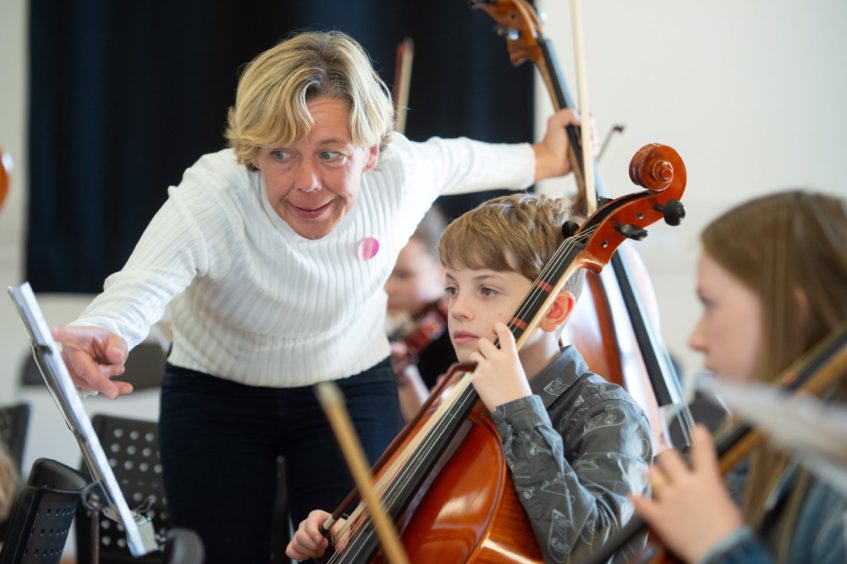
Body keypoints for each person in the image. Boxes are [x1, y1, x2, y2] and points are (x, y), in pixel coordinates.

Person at [48, 31, 582, 562]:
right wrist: (103, 333)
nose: (307, 182)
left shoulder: (400, 175)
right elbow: (137, 289)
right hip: (215, 393)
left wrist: (547, 156)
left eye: (330, 154)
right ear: (254, 152)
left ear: (371, 152)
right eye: (281, 153)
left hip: (349, 384)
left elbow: (461, 160)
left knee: (351, 553)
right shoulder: (213, 195)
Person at [286, 193, 654, 563]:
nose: (458, 309)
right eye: (453, 288)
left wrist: (519, 411)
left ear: (554, 309)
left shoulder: (606, 413)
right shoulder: (458, 400)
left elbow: (596, 554)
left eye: (487, 290)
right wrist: (347, 532)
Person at [631, 191, 847, 563]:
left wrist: (721, 546)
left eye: (710, 304)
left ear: (791, 314)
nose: (696, 339)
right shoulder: (770, 443)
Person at [384, 205, 455, 421]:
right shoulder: (405, 330)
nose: (388, 288)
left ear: (442, 272)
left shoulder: (454, 338)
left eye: (403, 275)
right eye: (385, 274)